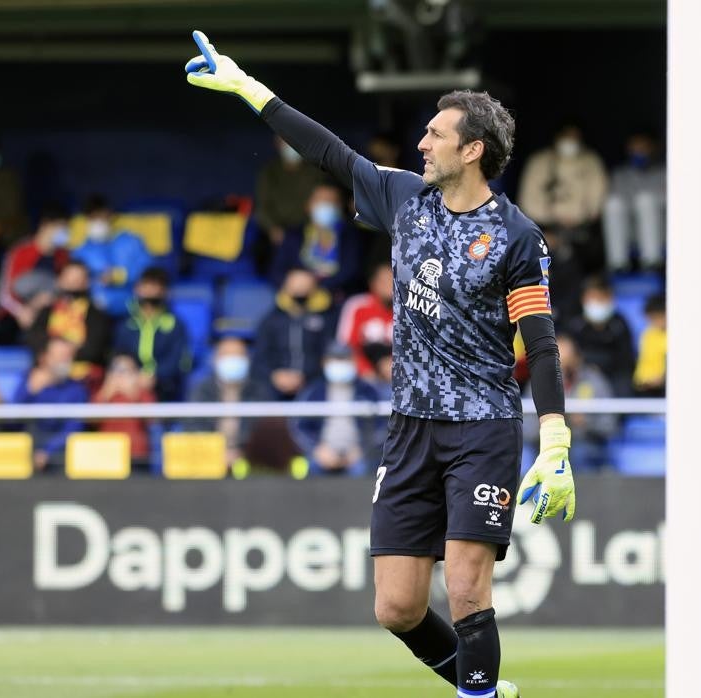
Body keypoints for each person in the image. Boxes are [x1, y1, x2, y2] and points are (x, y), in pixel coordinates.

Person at [187, 35, 575, 698]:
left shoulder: (516, 237)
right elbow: (328, 153)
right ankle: (481, 686)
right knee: (396, 607)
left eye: (435, 133)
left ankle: (476, 693)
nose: (421, 143)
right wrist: (248, 86)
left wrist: (557, 437)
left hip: (483, 428)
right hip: (410, 429)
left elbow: (538, 343)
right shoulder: (404, 200)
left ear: (472, 149)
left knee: (464, 584)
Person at [517, 122, 608, 271]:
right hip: (545, 227)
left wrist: (579, 218)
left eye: (574, 137)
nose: (570, 141)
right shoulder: (539, 161)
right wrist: (551, 223)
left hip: (582, 228)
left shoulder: (591, 160)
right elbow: (527, 201)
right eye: (566, 136)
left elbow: (597, 198)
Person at [524, 334, 617, 471]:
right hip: (546, 446)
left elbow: (610, 425)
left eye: (565, 362)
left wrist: (586, 423)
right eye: (556, 362)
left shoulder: (594, 381)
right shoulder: (537, 382)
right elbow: (526, 428)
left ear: (577, 358)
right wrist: (544, 423)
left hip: (584, 443)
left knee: (579, 452)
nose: (561, 368)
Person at [289, 343, 384, 476]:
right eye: (335, 359)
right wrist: (317, 449)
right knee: (311, 469)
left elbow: (382, 427)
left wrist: (362, 450)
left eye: (344, 359)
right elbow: (299, 426)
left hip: (358, 456)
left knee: (362, 470)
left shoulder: (368, 391)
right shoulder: (313, 392)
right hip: (322, 454)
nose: (340, 363)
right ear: (325, 363)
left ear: (354, 361)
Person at [251, 268, 338, 401]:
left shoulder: (326, 318)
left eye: (304, 286)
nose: (300, 291)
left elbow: (329, 355)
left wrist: (305, 377)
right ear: (286, 287)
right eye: (296, 286)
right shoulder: (271, 320)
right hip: (274, 383)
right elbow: (260, 358)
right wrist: (274, 376)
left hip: (312, 382)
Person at [0, 208, 71, 345]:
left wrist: (49, 300)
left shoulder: (63, 256)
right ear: (45, 225)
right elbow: (4, 295)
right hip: (14, 315)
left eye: (65, 227)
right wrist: (22, 312)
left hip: (48, 314)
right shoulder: (21, 252)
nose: (62, 232)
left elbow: (65, 290)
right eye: (60, 226)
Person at [270, 182, 365, 297]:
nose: (325, 205)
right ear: (308, 205)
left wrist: (314, 285)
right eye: (320, 200)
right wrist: (290, 281)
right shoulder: (294, 235)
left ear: (340, 207)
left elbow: (351, 273)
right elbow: (276, 271)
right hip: (296, 296)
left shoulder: (351, 236)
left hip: (336, 299)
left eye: (331, 201)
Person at [112, 267, 192, 402]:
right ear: (137, 289)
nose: (149, 290)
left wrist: (153, 376)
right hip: (130, 383)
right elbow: (119, 355)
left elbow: (177, 360)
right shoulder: (126, 324)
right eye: (145, 285)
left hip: (165, 386)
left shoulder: (175, 325)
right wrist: (130, 375)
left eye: (155, 286)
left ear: (164, 291)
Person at [252, 135, 329, 275]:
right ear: (277, 144)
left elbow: (324, 201)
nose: (291, 147)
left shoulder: (315, 171)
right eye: (286, 142)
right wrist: (273, 229)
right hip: (280, 231)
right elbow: (261, 208)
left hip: (310, 230)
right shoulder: (269, 172)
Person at [26, 260, 113, 383]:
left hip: (83, 374)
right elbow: (33, 338)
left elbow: (95, 348)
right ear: (60, 280)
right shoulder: (47, 311)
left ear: (86, 282)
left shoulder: (96, 315)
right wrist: (53, 352)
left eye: (77, 280)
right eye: (69, 279)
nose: (72, 284)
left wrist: (67, 353)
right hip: (49, 370)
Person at [14, 337, 88, 473]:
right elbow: (12, 422)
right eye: (60, 355)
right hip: (24, 454)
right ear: (45, 357)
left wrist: (47, 451)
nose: (65, 360)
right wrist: (29, 391)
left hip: (59, 458)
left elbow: (73, 429)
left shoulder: (77, 389)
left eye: (68, 356)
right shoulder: (29, 381)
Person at [71, 194, 152, 317]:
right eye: (92, 218)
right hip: (95, 313)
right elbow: (75, 281)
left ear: (111, 215)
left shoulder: (132, 242)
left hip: (132, 311)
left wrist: (120, 276)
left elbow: (148, 270)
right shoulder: (82, 251)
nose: (97, 222)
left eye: (101, 217)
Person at [186, 336, 258, 473]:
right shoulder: (202, 391)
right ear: (215, 359)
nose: (232, 360)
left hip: (250, 462)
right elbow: (193, 427)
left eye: (238, 355)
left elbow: (263, 431)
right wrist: (216, 453)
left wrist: (242, 454)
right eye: (227, 355)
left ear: (248, 359)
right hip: (207, 462)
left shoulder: (259, 391)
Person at [602, 131, 666, 272]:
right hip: (629, 231)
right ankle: (617, 264)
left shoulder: (665, 172)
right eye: (634, 147)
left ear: (653, 148)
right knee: (613, 203)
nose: (638, 151)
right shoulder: (621, 174)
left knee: (645, 200)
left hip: (660, 231)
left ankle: (652, 262)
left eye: (643, 147)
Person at [566, 276, 636, 397]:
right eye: (593, 297)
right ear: (584, 299)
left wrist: (602, 370)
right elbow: (570, 357)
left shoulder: (619, 325)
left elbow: (626, 361)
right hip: (582, 376)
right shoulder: (575, 326)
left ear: (610, 298)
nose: (597, 302)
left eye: (601, 298)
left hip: (613, 378)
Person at [93, 353, 155, 466]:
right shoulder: (104, 393)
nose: (120, 375)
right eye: (116, 370)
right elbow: (90, 420)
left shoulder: (142, 394)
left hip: (136, 455)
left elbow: (151, 420)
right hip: (107, 454)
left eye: (126, 370)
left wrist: (133, 394)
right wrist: (106, 393)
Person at [337, 262, 394, 378]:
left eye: (393, 281)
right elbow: (346, 347)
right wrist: (366, 372)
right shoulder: (358, 306)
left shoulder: (410, 310)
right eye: (384, 281)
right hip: (361, 378)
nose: (389, 286)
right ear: (373, 284)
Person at [633, 294, 666, 396]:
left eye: (657, 317)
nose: (654, 322)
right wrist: (642, 380)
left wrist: (663, 379)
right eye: (651, 318)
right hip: (647, 388)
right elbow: (644, 363)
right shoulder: (648, 335)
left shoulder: (677, 337)